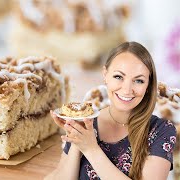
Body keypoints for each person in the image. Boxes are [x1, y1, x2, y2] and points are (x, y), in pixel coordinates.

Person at [46, 42, 177, 180]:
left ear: (148, 85)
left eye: (138, 81)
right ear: (105, 75)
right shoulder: (87, 122)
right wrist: (76, 141)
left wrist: (91, 149)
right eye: (118, 77)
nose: (127, 90)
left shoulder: (161, 130)